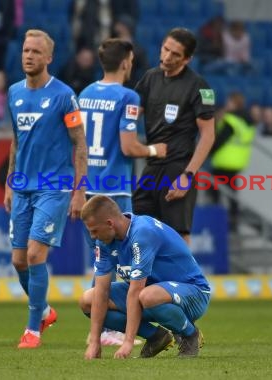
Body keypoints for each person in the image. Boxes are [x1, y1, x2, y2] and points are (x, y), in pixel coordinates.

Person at [79, 37, 167, 346]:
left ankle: (99, 328)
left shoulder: (86, 93)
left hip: (88, 186)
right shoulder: (128, 96)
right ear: (127, 61)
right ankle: (108, 330)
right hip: (114, 191)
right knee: (115, 263)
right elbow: (129, 146)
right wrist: (156, 149)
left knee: (101, 260)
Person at [4, 29, 88, 349]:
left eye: (36, 52)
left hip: (54, 185)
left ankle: (32, 329)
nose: (29, 56)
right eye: (26, 50)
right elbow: (16, 140)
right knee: (18, 260)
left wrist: (79, 191)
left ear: (49, 58)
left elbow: (79, 144)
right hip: (23, 185)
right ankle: (45, 310)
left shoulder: (64, 95)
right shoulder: (14, 92)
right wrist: (11, 182)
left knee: (36, 254)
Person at [79, 195, 211, 359]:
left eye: (94, 231)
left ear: (109, 224)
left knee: (147, 295)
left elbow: (135, 291)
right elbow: (101, 291)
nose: (92, 236)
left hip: (194, 292)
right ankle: (156, 336)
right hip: (149, 294)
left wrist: (128, 342)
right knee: (88, 300)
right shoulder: (104, 241)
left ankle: (190, 334)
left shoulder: (142, 233)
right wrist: (94, 342)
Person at [133, 27, 215, 244]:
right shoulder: (150, 78)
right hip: (151, 167)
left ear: (187, 59)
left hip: (178, 168)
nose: (167, 57)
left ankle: (184, 279)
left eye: (175, 54)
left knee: (177, 236)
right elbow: (129, 118)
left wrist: (188, 176)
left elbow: (208, 135)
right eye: (165, 49)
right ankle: (147, 279)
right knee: (141, 232)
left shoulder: (199, 87)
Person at [209, 91, 255, 230]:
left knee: (214, 192)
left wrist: (206, 152)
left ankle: (214, 221)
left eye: (229, 102)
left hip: (223, 161)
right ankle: (233, 222)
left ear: (234, 104)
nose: (226, 104)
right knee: (232, 194)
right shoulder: (247, 122)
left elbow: (219, 141)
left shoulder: (231, 121)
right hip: (237, 163)